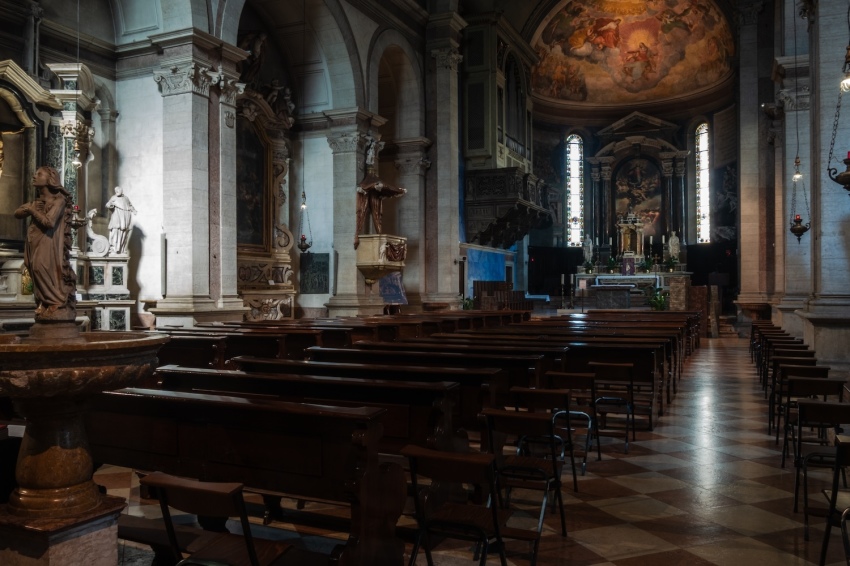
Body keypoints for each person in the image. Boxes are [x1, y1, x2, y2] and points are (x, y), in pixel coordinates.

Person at [14, 166, 75, 320]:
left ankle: (56, 300)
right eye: (35, 173)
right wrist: (30, 208)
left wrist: (32, 211)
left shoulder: (58, 200)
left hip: (48, 241)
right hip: (33, 240)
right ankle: (43, 301)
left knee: (40, 267)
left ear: (50, 179)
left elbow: (49, 222)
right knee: (32, 266)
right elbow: (17, 213)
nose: (34, 176)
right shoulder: (38, 200)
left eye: (39, 174)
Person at [106, 186, 137, 255]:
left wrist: (134, 210)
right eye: (115, 191)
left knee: (123, 233)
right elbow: (108, 204)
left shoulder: (126, 198)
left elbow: (129, 205)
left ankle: (121, 249)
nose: (116, 192)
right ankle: (114, 248)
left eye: (118, 190)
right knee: (115, 230)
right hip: (116, 217)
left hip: (125, 218)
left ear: (121, 191)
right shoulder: (114, 197)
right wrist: (111, 205)